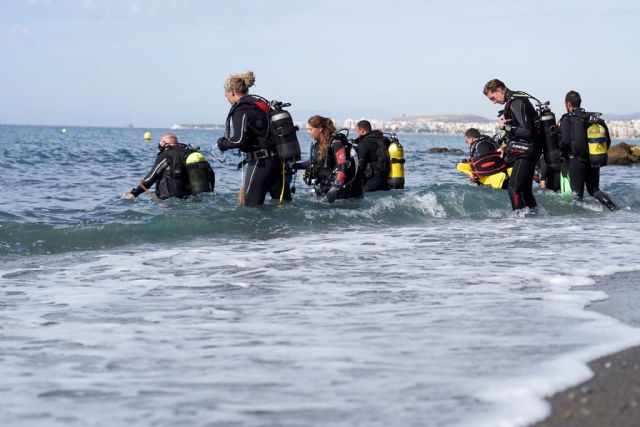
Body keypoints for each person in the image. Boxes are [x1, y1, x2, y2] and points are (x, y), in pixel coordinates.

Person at [216, 70, 291, 207]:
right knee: (284, 204)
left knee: (251, 205)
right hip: (278, 161)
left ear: (232, 92)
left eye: (226, 93)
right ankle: (287, 229)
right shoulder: (260, 104)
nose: (225, 96)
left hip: (260, 162)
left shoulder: (241, 109)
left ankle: (254, 229)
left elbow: (238, 140)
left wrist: (222, 143)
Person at [484, 79, 542, 212]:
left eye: (493, 97)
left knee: (513, 188)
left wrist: (506, 127)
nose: (493, 102)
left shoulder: (516, 102)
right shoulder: (515, 101)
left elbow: (526, 131)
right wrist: (506, 145)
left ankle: (519, 223)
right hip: (530, 149)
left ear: (500, 90)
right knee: (525, 190)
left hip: (527, 151)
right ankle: (538, 219)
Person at [558, 90, 617, 210]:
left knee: (576, 195)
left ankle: (580, 224)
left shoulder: (568, 118)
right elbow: (607, 141)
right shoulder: (591, 118)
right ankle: (614, 209)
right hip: (594, 159)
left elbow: (565, 141)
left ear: (568, 104)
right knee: (594, 190)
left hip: (577, 161)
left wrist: (560, 151)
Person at [292, 115, 362, 203]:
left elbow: (342, 165)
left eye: (310, 129)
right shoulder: (318, 144)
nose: (308, 132)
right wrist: (295, 166)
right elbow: (313, 162)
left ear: (320, 128)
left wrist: (335, 187)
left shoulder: (336, 143)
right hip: (325, 187)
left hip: (340, 190)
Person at [123, 132, 205, 200]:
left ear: (164, 143)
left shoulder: (166, 154)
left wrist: (134, 193)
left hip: (169, 201)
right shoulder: (189, 153)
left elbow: (151, 177)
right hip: (190, 198)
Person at [354, 120, 390, 192]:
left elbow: (360, 164)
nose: (357, 133)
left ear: (362, 131)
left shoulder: (365, 142)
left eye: (357, 131)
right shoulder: (383, 140)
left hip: (371, 183)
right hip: (386, 181)